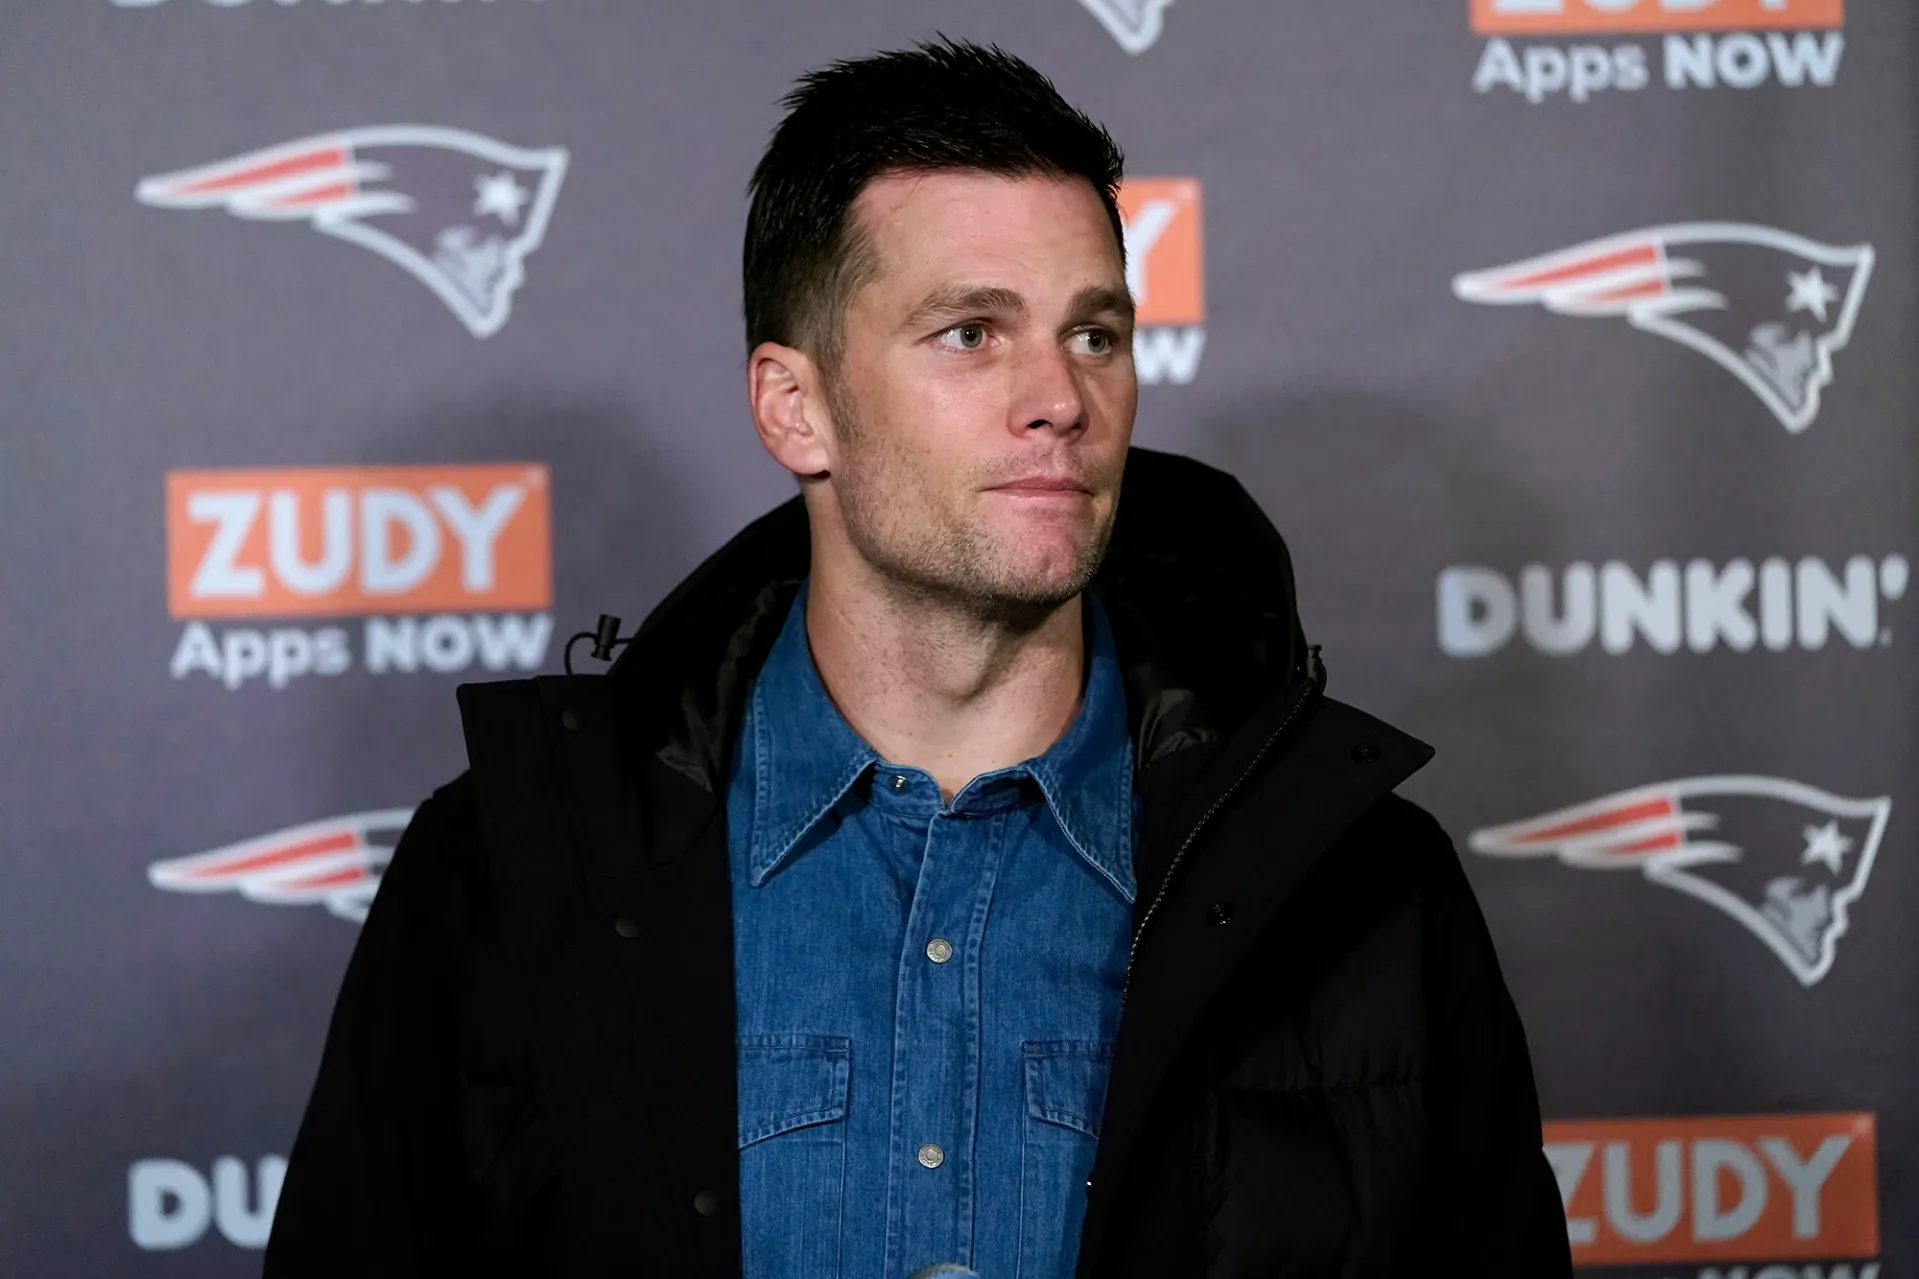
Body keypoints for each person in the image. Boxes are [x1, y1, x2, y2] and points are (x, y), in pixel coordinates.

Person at [263, 39, 1573, 1279]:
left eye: (1095, 334)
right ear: (796, 408)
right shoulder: (508, 873)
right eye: (970, 333)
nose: (1059, 399)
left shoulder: (1361, 886)